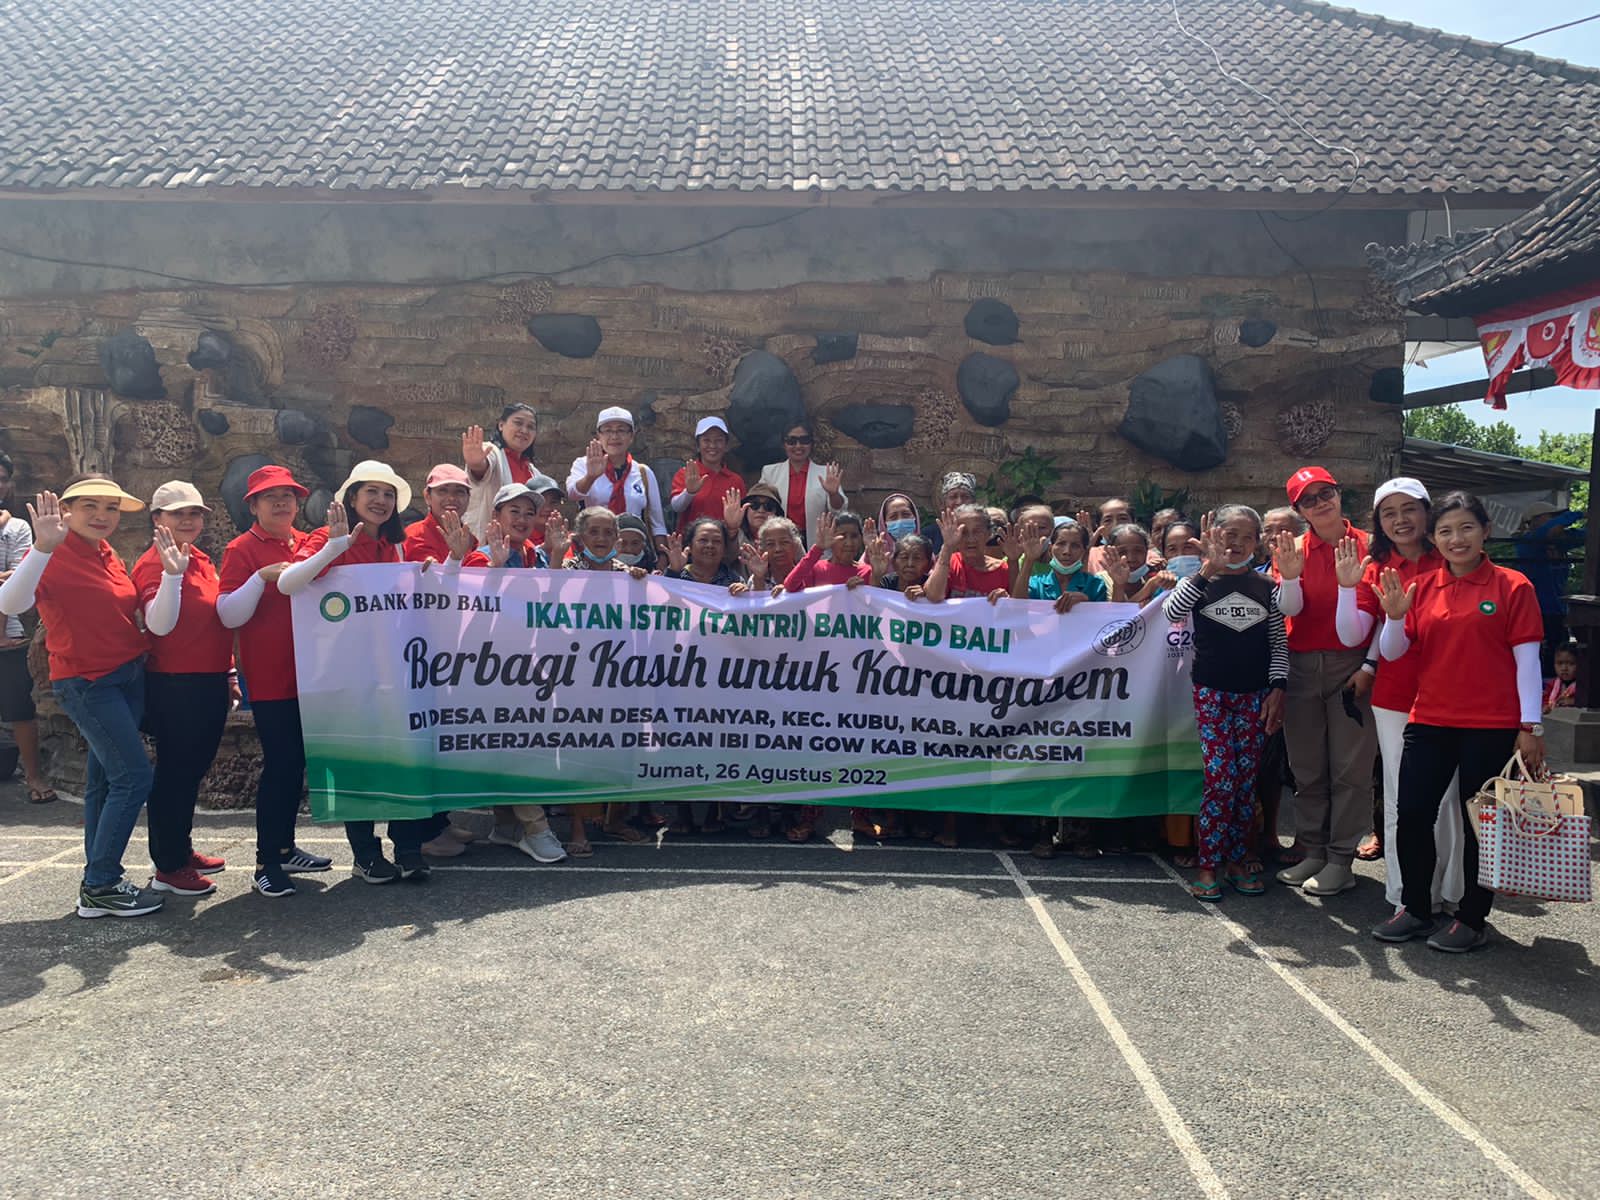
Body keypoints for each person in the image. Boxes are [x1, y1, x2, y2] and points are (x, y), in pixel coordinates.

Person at [1371, 491, 1546, 953]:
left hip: (1491, 725)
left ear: (1485, 531)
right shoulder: (1422, 587)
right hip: (1429, 718)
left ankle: (1472, 917)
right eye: (1446, 531)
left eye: (1467, 527)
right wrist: (1394, 618)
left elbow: (1528, 660)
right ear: (1434, 538)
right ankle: (1415, 908)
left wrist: (1531, 726)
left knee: (1480, 825)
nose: (1457, 539)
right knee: (1412, 814)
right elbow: (1393, 651)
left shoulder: (1513, 586)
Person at [0, 479, 161, 917]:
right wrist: (42, 547)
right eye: (90, 506)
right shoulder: (52, 553)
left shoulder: (106, 553)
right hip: (89, 683)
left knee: (105, 781)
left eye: (111, 507)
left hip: (127, 676)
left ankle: (98, 881)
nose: (102, 515)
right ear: (66, 511)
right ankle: (101, 883)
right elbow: (11, 601)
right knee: (134, 777)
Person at [277, 460, 436, 885]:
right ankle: (366, 855)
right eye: (372, 492)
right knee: (358, 761)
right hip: (345, 671)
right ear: (352, 498)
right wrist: (333, 547)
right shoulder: (326, 538)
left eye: (388, 495)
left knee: (404, 758)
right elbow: (288, 584)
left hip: (393, 671)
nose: (381, 501)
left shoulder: (396, 546)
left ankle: (408, 849)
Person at [1334, 477, 1460, 915]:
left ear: (1428, 512)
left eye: (1409, 509)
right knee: (1401, 796)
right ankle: (1407, 895)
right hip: (1396, 697)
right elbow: (1353, 634)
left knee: (1450, 799)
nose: (1400, 520)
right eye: (1389, 513)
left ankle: (1452, 893)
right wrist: (1346, 588)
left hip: (1456, 694)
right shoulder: (1377, 567)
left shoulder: (1452, 557)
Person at [217, 465, 334, 898]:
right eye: (271, 497)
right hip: (271, 679)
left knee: (296, 765)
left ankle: (285, 848)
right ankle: (266, 862)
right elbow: (228, 613)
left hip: (313, 676)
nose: (282, 503)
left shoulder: (306, 543)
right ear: (253, 506)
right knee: (281, 766)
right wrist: (260, 576)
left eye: (288, 496)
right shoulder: (241, 549)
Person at [1161, 508, 1288, 899]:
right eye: (1229, 534)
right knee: (1221, 779)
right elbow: (1171, 612)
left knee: (1245, 782)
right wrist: (1205, 570)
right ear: (1214, 536)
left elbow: (1278, 643)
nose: (1237, 544)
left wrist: (1278, 688)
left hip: (1255, 697)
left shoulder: (1268, 587)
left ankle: (1237, 860)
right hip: (1211, 695)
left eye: (1247, 537)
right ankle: (1208, 865)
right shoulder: (1199, 582)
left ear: (1258, 543)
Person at [1272, 467, 1379, 897]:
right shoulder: (1293, 549)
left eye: (1325, 493)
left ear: (1339, 493)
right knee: (1307, 766)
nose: (1320, 503)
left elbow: (1381, 615)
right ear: (1299, 509)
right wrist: (1290, 574)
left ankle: (1340, 859)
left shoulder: (1370, 545)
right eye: (1309, 499)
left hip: (1350, 666)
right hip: (1301, 665)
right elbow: (1290, 609)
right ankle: (1314, 850)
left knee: (1350, 768)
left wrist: (1369, 666)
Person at [131, 481, 234, 898]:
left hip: (208, 679)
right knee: (176, 772)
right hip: (175, 683)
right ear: (157, 519)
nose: (189, 520)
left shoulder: (200, 559)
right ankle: (169, 865)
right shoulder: (154, 563)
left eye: (195, 513)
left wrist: (228, 671)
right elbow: (159, 624)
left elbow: (212, 621)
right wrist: (171, 574)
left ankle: (180, 848)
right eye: (178, 514)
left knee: (191, 770)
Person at [0, 458, 53, 803]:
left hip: (10, 632)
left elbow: (20, 578)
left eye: (3, 478)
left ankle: (33, 777)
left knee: (19, 708)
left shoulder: (17, 527)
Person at [567, 407, 668, 549]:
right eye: (608, 430)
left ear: (631, 436)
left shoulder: (643, 472)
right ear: (599, 435)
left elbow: (657, 523)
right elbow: (573, 494)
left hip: (633, 550)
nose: (614, 437)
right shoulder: (584, 464)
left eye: (621, 430)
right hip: (595, 547)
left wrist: (663, 554)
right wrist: (590, 477)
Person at [758, 421, 846, 547]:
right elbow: (761, 507)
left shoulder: (826, 473)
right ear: (784, 444)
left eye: (804, 440)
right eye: (791, 441)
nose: (798, 446)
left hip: (816, 542)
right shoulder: (770, 473)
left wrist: (833, 494)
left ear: (811, 443)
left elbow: (839, 510)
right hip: (780, 542)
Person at [462, 402, 541, 536]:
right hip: (488, 542)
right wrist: (476, 464)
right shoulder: (491, 452)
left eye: (531, 427)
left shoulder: (533, 471)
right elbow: (481, 469)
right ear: (501, 425)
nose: (524, 430)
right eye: (518, 423)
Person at [1013, 518, 1109, 608]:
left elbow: (1101, 617)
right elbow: (1017, 607)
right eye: (1061, 544)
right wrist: (1029, 559)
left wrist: (1086, 604)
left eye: (1075, 546)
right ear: (1050, 550)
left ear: (1083, 552)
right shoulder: (1035, 583)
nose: (1067, 551)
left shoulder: (1095, 585)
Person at [926, 504, 1014, 602]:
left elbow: (1017, 605)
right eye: (963, 532)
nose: (970, 539)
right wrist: (947, 545)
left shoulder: (1003, 570)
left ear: (989, 534)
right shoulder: (949, 563)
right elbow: (933, 596)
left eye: (977, 532)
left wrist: (1005, 599)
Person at [404, 464, 488, 566]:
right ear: (427, 496)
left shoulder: (470, 539)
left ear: (468, 498)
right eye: (442, 491)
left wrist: (494, 564)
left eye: (459, 492)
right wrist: (455, 557)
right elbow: (430, 575)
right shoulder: (415, 535)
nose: (451, 498)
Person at [671, 417, 745, 525]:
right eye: (706, 440)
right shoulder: (686, 474)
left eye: (718, 440)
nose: (712, 446)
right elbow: (676, 507)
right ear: (698, 445)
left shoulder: (735, 480)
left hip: (723, 536)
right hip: (691, 535)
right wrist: (689, 492)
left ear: (726, 446)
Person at [782, 510, 871, 592]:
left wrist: (863, 590)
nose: (849, 543)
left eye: (854, 536)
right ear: (831, 538)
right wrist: (818, 548)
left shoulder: (866, 572)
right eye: (842, 536)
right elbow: (790, 586)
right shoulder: (816, 569)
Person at [665, 517, 741, 587]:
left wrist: (743, 593)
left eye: (717, 541)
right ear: (690, 546)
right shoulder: (678, 575)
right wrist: (673, 570)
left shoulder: (733, 580)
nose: (710, 545)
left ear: (724, 548)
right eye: (703, 540)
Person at [921, 471, 976, 554]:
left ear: (973, 503)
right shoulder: (928, 535)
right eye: (953, 497)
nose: (959, 502)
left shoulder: (981, 532)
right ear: (942, 504)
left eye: (965, 497)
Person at [728, 482, 783, 550]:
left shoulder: (787, 539)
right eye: (755, 504)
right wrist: (732, 529)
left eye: (769, 506)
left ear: (776, 513)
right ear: (746, 509)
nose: (761, 510)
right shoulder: (731, 533)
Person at [1545, 644, 1579, 711]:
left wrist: (1574, 702)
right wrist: (1545, 707)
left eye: (1571, 664)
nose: (1564, 668)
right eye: (1560, 663)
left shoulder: (1583, 687)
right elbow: (1544, 701)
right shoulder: (1550, 685)